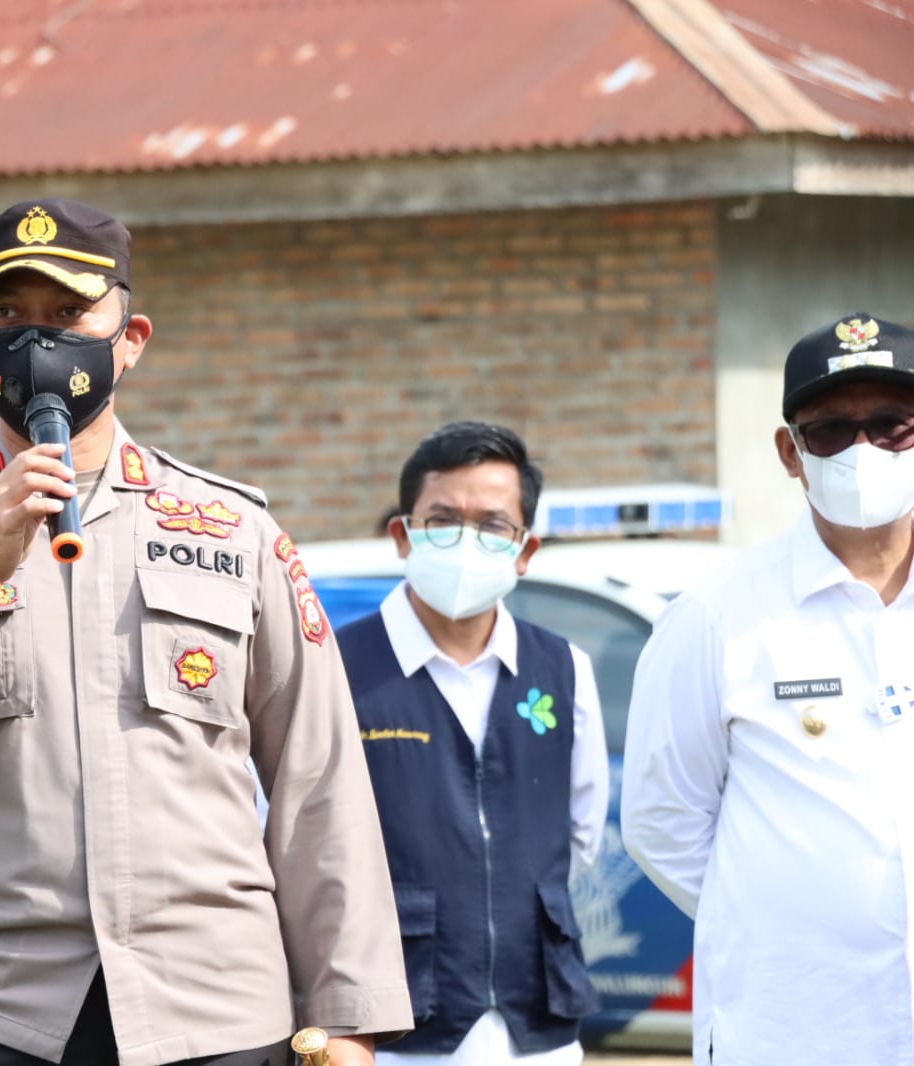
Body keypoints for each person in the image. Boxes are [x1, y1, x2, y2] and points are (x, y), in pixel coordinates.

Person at [0, 198, 412, 1066]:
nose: (36, 341)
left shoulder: (235, 530)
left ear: (130, 338)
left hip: (213, 1010)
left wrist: (348, 1014)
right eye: (7, 314)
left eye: (69, 313)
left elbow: (319, 777)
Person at [621, 312, 914, 1066]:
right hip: (794, 1026)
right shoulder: (715, 617)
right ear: (791, 452)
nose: (864, 451)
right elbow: (661, 822)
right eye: (832, 431)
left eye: (893, 427)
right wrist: (782, 912)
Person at [335, 422, 607, 1065]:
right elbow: (295, 843)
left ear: (525, 549)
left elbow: (580, 835)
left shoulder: (563, 669)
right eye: (442, 520)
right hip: (392, 1030)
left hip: (536, 1025)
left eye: (492, 524)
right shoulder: (338, 670)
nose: (465, 541)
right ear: (402, 536)